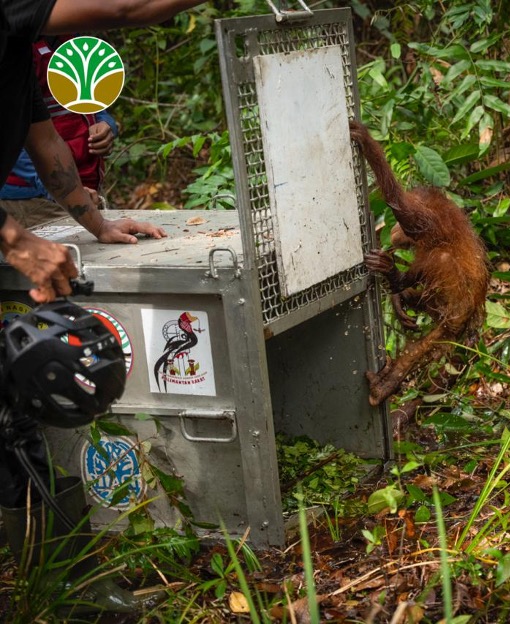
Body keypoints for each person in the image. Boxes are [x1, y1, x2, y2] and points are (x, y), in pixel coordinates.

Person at [0, 0, 210, 613]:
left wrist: (95, 222)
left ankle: (66, 590)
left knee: (15, 421)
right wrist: (16, 242)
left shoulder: (18, 48)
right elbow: (130, 6)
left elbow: (43, 137)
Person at [0, 34, 121, 228]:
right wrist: (66, 191)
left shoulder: (72, 38)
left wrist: (106, 123)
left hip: (81, 188)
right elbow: (12, 133)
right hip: (36, 198)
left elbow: (92, 100)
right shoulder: (15, 47)